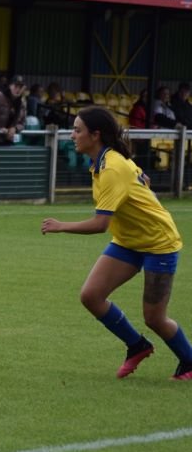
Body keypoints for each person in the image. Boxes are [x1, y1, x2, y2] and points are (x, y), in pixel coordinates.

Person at [42, 106, 192, 381]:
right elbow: (138, 176)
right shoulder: (104, 161)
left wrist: (61, 226)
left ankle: (190, 361)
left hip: (159, 243)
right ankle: (137, 345)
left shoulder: (111, 166)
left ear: (95, 135)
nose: (72, 135)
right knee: (91, 296)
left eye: (77, 130)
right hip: (128, 241)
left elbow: (101, 224)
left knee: (154, 318)